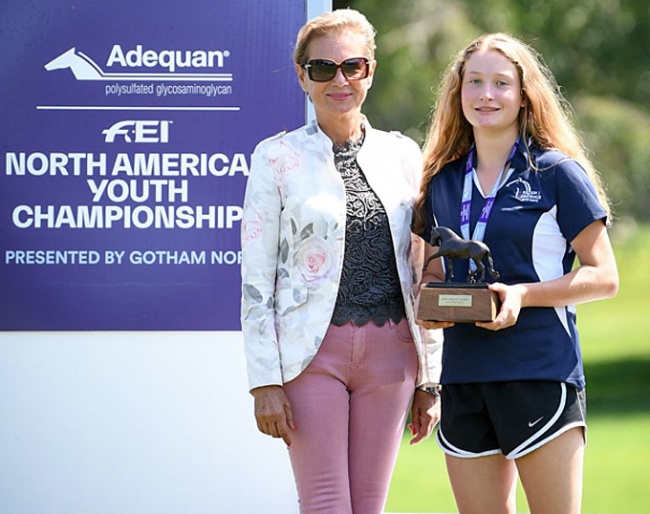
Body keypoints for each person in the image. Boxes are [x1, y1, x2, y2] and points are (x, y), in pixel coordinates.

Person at [240, 9, 443, 514]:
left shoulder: (403, 155)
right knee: (327, 503)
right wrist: (264, 380)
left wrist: (429, 378)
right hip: (311, 356)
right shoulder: (274, 158)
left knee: (370, 505)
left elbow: (422, 269)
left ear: (370, 71)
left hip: (394, 356)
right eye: (323, 68)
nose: (339, 80)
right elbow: (256, 278)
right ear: (302, 75)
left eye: (352, 66)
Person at [413, 33, 619, 514]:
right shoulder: (442, 181)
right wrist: (432, 305)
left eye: (501, 83)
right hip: (463, 379)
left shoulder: (556, 173)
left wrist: (521, 296)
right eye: (475, 82)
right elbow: (436, 271)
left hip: (539, 371)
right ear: (457, 92)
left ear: (524, 95)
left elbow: (605, 275)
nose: (487, 95)